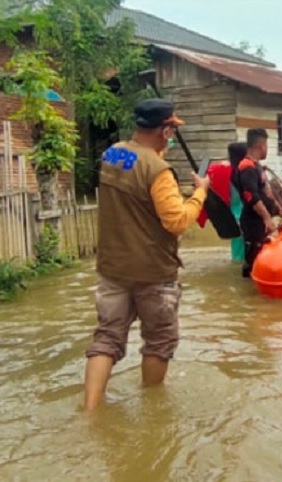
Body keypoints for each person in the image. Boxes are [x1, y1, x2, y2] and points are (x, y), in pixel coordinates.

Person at [83, 98, 210, 411]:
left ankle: (90, 410)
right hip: (153, 270)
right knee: (159, 340)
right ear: (166, 130)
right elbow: (176, 221)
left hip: (112, 267)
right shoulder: (158, 170)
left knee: (107, 338)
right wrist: (200, 193)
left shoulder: (111, 153)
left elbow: (133, 190)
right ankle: (152, 407)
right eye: (171, 129)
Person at [232, 129, 277, 278]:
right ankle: (248, 296)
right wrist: (267, 218)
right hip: (252, 221)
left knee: (261, 255)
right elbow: (251, 196)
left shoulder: (257, 166)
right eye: (266, 145)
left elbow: (266, 192)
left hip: (260, 220)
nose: (267, 149)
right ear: (261, 145)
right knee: (252, 260)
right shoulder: (247, 167)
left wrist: (281, 211)